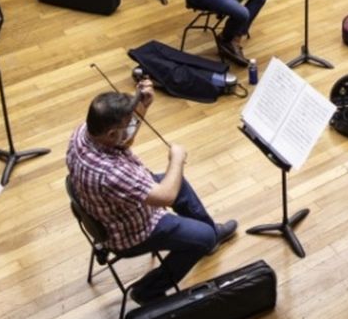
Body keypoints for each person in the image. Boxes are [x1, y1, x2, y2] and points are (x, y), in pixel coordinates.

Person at [66, 78, 236, 305]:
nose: (131, 127)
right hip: (132, 232)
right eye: (127, 124)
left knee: (178, 184)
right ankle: (148, 290)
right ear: (111, 134)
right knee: (199, 231)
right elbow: (166, 196)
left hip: (112, 205)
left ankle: (210, 233)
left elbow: (123, 142)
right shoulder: (111, 173)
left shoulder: (83, 133)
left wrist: (142, 107)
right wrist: (176, 159)